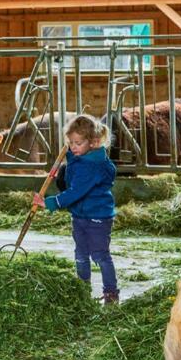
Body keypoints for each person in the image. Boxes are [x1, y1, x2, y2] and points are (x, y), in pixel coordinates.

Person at [34, 114, 119, 305]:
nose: (73, 147)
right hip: (80, 216)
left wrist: (50, 203)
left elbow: (76, 191)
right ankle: (82, 289)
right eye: (71, 142)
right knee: (80, 255)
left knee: (100, 256)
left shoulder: (92, 166)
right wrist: (70, 159)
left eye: (78, 143)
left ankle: (111, 293)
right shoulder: (81, 160)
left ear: (93, 142)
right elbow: (71, 180)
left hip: (97, 218)